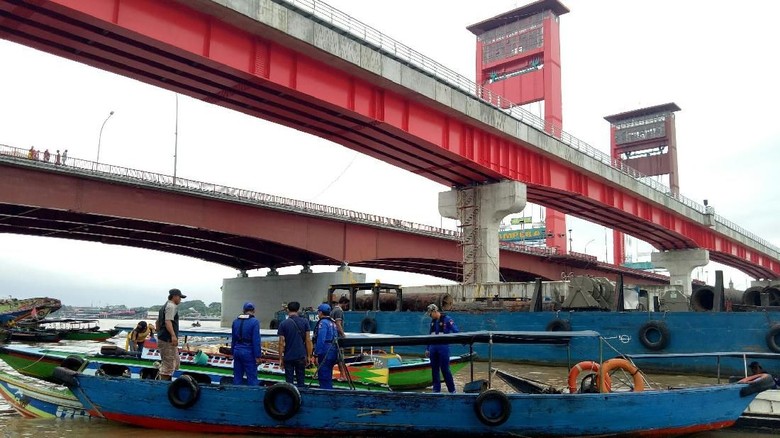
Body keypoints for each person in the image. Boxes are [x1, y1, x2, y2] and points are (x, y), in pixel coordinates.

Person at [277, 301, 312, 388]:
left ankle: (290, 399)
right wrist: (309, 356)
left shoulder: (283, 324)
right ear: (298, 310)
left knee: (289, 383)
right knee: (301, 381)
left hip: (288, 356)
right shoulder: (305, 322)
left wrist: (281, 358)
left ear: (287, 310)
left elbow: (281, 343)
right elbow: (308, 340)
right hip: (301, 356)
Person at [425, 303, 459, 393]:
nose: (430, 316)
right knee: (434, 370)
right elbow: (429, 335)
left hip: (443, 347)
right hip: (433, 348)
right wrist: (427, 348)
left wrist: (462, 340)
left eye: (430, 314)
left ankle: (452, 390)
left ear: (435, 311)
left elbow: (456, 331)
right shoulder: (432, 322)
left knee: (445, 369)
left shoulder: (447, 319)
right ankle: (436, 390)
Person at [156, 288, 186, 380]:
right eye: (179, 297)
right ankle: (163, 383)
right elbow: (168, 321)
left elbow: (157, 322)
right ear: (175, 297)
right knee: (169, 366)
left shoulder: (165, 306)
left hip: (164, 338)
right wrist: (173, 335)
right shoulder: (171, 306)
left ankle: (161, 371)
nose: (180, 300)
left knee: (175, 363)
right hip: (167, 339)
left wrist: (159, 332)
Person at [231, 301, 262, 385]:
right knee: (252, 377)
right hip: (248, 352)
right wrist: (258, 356)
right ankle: (252, 396)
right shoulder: (254, 322)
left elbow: (233, 339)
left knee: (237, 376)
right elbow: (256, 340)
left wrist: (232, 352)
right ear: (254, 310)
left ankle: (236, 394)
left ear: (243, 310)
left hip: (237, 350)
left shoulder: (235, 321)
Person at [312, 303, 339, 389]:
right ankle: (329, 390)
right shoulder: (333, 323)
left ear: (320, 312)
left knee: (323, 375)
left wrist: (316, 354)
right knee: (328, 374)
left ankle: (326, 394)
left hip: (325, 351)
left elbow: (321, 339)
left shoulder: (323, 323)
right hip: (333, 350)